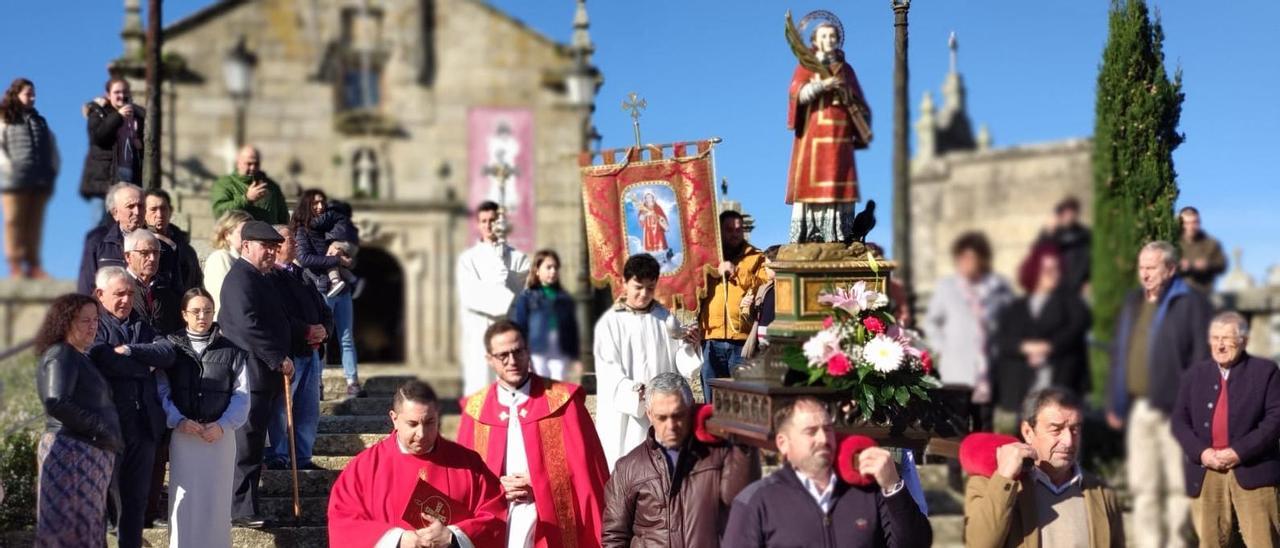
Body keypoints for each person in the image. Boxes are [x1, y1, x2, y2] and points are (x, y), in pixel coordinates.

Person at [457, 320, 608, 547]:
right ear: (490, 360)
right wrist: (496, 488)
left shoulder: (563, 402)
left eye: (518, 351)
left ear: (528, 350)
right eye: (502, 355)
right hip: (496, 517)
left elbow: (587, 471)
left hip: (549, 514)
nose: (512, 361)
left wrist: (539, 482)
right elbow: (464, 480)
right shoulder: (475, 411)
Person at [1105, 240, 1212, 548]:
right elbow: (1119, 354)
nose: (1145, 274)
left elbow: (1201, 359)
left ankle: (1177, 543)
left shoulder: (1191, 303)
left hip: (1178, 412)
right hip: (1140, 409)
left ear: (1171, 269)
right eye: (1142, 268)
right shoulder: (1133, 303)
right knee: (1144, 485)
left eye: (1152, 268)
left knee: (1178, 486)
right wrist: (1115, 402)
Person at [723, 397, 931, 546]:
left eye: (828, 429)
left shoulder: (868, 492)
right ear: (783, 443)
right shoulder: (756, 501)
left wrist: (893, 486)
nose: (823, 439)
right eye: (810, 431)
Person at [328, 379, 507, 547]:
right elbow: (343, 522)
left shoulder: (468, 464)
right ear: (394, 418)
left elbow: (495, 516)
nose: (421, 434)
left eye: (430, 422)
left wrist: (454, 536)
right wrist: (397, 539)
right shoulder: (364, 468)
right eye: (412, 424)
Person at [602, 372, 758, 546]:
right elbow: (614, 536)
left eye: (678, 415)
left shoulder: (718, 454)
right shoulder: (628, 468)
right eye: (662, 417)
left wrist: (741, 444)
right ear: (649, 414)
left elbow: (741, 506)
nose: (671, 426)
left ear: (692, 408)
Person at [963, 387, 1126, 547]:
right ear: (1027, 432)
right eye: (1056, 429)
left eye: (1075, 429)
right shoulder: (988, 485)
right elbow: (978, 544)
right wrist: (1004, 478)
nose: (1068, 441)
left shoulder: (1101, 494)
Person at [1172, 311, 1280, 547]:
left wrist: (1238, 451)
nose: (1219, 345)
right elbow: (1179, 420)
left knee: (1264, 542)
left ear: (1244, 341)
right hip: (1206, 471)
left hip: (1254, 471)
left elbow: (1275, 420)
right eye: (1215, 338)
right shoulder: (1194, 375)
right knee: (1211, 543)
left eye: (1226, 339)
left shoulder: (1266, 372)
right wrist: (1203, 453)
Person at [155, 288, 249, 548]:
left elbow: (242, 396)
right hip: (185, 435)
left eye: (208, 311)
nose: (202, 316)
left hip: (218, 438)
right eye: (196, 311)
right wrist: (177, 420)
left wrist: (222, 425)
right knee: (183, 500)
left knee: (216, 502)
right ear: (184, 314)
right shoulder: (170, 348)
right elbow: (162, 391)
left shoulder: (232, 351)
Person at [217, 220, 295, 528]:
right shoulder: (241, 278)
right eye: (266, 247)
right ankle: (240, 508)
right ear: (246, 245)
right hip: (251, 372)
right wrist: (278, 358)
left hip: (263, 375)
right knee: (246, 443)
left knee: (253, 442)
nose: (271, 253)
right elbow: (246, 326)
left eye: (275, 248)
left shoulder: (261, 278)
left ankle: (247, 505)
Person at [91, 265, 176, 548]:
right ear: (100, 294)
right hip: (111, 427)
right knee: (110, 500)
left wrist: (132, 351)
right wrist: (144, 365)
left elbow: (167, 352)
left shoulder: (140, 325)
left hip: (144, 426)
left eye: (130, 293)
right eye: (119, 294)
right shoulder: (94, 326)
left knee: (136, 501)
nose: (126, 300)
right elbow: (103, 359)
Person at [594, 254, 702, 470]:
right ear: (624, 283)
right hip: (629, 410)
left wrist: (691, 345)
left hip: (661, 408)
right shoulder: (611, 323)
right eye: (638, 287)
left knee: (663, 465)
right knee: (628, 463)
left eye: (650, 288)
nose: (644, 294)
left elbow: (680, 361)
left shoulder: (666, 318)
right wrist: (635, 391)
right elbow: (608, 369)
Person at [33, 293, 123, 546]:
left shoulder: (77, 356)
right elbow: (56, 401)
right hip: (71, 453)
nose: (93, 326)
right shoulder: (61, 354)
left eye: (95, 320)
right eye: (85, 320)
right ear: (66, 322)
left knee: (86, 530)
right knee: (69, 533)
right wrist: (101, 429)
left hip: (86, 452)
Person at [786, 19, 870, 244]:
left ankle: (837, 232)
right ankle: (810, 231)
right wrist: (821, 86)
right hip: (813, 131)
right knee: (811, 178)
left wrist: (845, 94)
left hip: (839, 132)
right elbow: (796, 94)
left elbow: (858, 100)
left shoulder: (846, 69)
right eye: (823, 36)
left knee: (837, 178)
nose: (828, 40)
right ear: (815, 40)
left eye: (832, 36)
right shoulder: (806, 65)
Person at [991, 244, 1091, 433]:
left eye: (1056, 269)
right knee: (1028, 432)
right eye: (1047, 269)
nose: (1052, 274)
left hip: (1059, 376)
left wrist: (1048, 347)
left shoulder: (1070, 302)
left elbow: (1077, 327)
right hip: (1024, 383)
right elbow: (1003, 339)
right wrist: (1025, 348)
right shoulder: (1018, 306)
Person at [922, 231, 1014, 432]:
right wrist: (943, 347)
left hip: (987, 368)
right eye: (961, 258)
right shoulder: (947, 287)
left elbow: (1011, 323)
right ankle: (956, 464)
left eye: (970, 257)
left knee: (985, 423)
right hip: (956, 367)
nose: (965, 263)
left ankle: (983, 463)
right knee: (956, 424)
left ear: (982, 258)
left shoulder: (999, 288)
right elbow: (931, 322)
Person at [265, 224, 331, 471]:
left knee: (308, 408)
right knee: (283, 408)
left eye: (293, 237)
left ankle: (302, 456)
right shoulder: (270, 275)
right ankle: (278, 454)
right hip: (291, 351)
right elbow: (278, 314)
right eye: (287, 238)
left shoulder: (303, 274)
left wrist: (324, 330)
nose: (294, 242)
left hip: (312, 351)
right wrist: (305, 330)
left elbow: (324, 309)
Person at [457, 200, 530, 395]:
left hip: (507, 330)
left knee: (509, 387)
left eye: (493, 220)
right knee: (480, 389)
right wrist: (496, 269)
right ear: (478, 224)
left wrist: (500, 262)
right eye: (484, 221)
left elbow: (516, 294)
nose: (489, 225)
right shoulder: (468, 259)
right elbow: (471, 295)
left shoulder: (518, 258)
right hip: (480, 330)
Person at [291, 189, 360, 395]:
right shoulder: (302, 231)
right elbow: (305, 259)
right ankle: (317, 384)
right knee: (321, 338)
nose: (320, 207)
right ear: (306, 206)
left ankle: (352, 381)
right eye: (315, 203)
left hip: (342, 290)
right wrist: (336, 260)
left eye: (322, 202)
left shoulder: (333, 225)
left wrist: (346, 259)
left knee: (346, 337)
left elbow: (349, 255)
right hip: (321, 289)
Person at [699, 210, 770, 402]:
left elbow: (766, 285)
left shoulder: (756, 256)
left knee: (742, 399)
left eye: (739, 229)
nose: (735, 233)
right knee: (711, 400)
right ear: (719, 231)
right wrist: (711, 270)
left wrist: (737, 273)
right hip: (710, 340)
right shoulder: (706, 257)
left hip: (742, 340)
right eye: (729, 229)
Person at [0, 77, 58, 278]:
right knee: (14, 221)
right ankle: (15, 264)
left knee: (34, 223)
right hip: (14, 181)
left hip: (39, 180)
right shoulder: (5, 117)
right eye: (28, 94)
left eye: (34, 94)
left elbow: (51, 148)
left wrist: (52, 170)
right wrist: (9, 168)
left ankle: (33, 265)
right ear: (16, 95)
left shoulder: (40, 121)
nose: (32, 98)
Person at [509, 249, 579, 381]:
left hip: (561, 346)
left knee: (559, 385)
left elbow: (571, 328)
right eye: (548, 267)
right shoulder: (527, 296)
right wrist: (522, 353)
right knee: (540, 382)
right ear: (537, 270)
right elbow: (521, 326)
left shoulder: (564, 297)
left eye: (555, 268)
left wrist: (575, 357)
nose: (553, 271)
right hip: (537, 346)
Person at [80, 77, 143, 218]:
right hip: (105, 183)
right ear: (108, 95)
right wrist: (118, 116)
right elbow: (99, 138)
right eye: (117, 92)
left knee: (126, 228)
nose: (121, 95)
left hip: (130, 180)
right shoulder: (98, 112)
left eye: (125, 91)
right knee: (101, 228)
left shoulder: (136, 116)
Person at [77, 182, 145, 295]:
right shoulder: (97, 240)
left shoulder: (157, 244)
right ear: (115, 213)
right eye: (130, 206)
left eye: (141, 206)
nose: (137, 212)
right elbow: (86, 286)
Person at [123, 229, 183, 334]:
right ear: (128, 257)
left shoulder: (166, 292)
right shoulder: (116, 289)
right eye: (144, 253)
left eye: (156, 253)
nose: (152, 258)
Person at [210, 145, 289, 224]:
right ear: (238, 162)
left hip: (268, 235)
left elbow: (283, 217)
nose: (253, 168)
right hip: (238, 235)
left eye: (256, 164)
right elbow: (219, 212)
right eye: (249, 163)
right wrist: (246, 199)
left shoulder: (271, 186)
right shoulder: (224, 184)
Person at [144, 188, 203, 292]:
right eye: (153, 209)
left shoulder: (184, 245)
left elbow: (196, 281)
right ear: (144, 212)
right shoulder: (138, 245)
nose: (159, 214)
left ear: (170, 211)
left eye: (163, 209)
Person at [1033, 197, 1091, 295]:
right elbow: (1038, 255)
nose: (1069, 216)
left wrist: (1088, 280)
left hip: (1077, 287)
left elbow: (1090, 259)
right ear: (1060, 215)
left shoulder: (1084, 235)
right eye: (1065, 213)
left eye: (1072, 212)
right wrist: (1049, 232)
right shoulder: (1051, 235)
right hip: (1055, 289)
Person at [202, 209, 252, 314]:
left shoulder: (248, 261)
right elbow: (226, 296)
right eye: (241, 232)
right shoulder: (220, 258)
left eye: (250, 232)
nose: (247, 237)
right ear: (227, 235)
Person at [1177, 206, 1227, 294]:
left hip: (1203, 293)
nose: (1191, 227)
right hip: (1178, 293)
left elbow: (1222, 265)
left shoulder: (1211, 243)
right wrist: (1178, 265)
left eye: (1194, 222)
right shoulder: (1174, 243)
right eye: (1187, 223)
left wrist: (1208, 265)